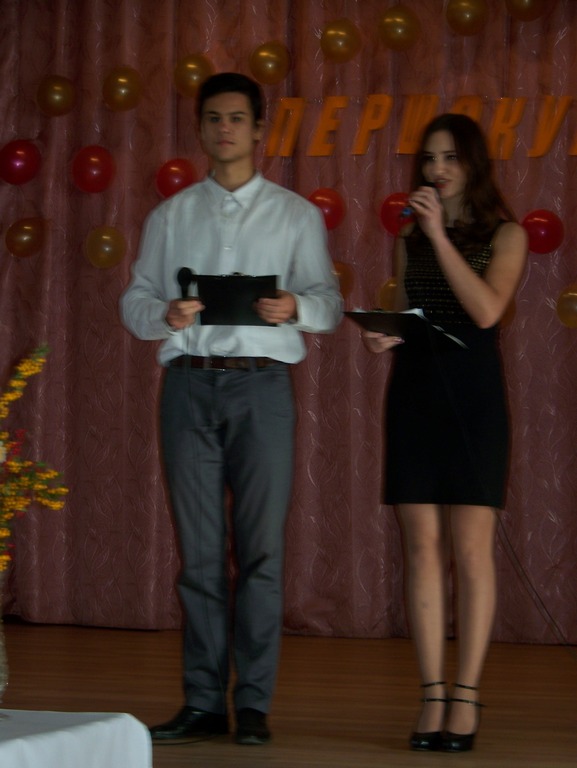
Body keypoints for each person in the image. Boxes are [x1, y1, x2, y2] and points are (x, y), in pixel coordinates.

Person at [120, 72, 342, 746]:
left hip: (262, 389)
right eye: (213, 118)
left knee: (262, 553)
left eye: (237, 118)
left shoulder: (295, 215)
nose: (224, 129)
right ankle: (202, 702)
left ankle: (253, 704)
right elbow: (134, 302)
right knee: (199, 557)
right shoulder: (170, 216)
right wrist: (165, 314)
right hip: (188, 387)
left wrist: (295, 307)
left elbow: (329, 305)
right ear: (200, 128)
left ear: (258, 129)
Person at [362, 113, 527, 752]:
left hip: (475, 401)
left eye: (451, 157)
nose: (437, 169)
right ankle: (431, 692)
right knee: (422, 548)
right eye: (430, 158)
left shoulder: (507, 234)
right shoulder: (409, 237)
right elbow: (416, 313)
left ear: (473, 164)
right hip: (415, 396)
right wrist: (387, 334)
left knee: (471, 549)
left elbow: (485, 311)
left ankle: (467, 694)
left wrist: (438, 233)